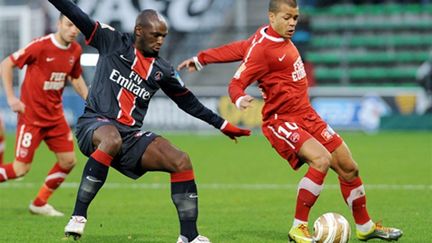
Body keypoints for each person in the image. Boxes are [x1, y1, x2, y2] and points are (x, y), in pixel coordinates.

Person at [177, 0, 403, 242]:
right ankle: (298, 227)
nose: (293, 23)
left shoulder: (267, 39)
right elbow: (236, 82)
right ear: (271, 17)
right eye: (287, 17)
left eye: (295, 17)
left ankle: (365, 226)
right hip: (281, 121)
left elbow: (240, 47)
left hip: (307, 115)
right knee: (321, 160)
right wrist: (239, 96)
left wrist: (201, 59)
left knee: (349, 167)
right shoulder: (263, 49)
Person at [48, 0, 251, 242]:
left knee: (181, 160)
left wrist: (222, 125)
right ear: (139, 31)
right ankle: (78, 216)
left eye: (163, 36)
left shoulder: (162, 70)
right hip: (93, 125)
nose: (160, 41)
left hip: (129, 137)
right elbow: (74, 12)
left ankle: (189, 236)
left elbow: (188, 102)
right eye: (155, 35)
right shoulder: (111, 41)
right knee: (111, 137)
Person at [0, 14, 88, 216]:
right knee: (20, 169)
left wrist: (90, 101)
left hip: (55, 117)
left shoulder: (75, 50)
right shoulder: (40, 46)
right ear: (59, 24)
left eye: (77, 26)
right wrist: (12, 98)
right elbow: (6, 64)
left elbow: (75, 79)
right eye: (69, 24)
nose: (74, 30)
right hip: (31, 117)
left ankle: (39, 203)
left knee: (68, 161)